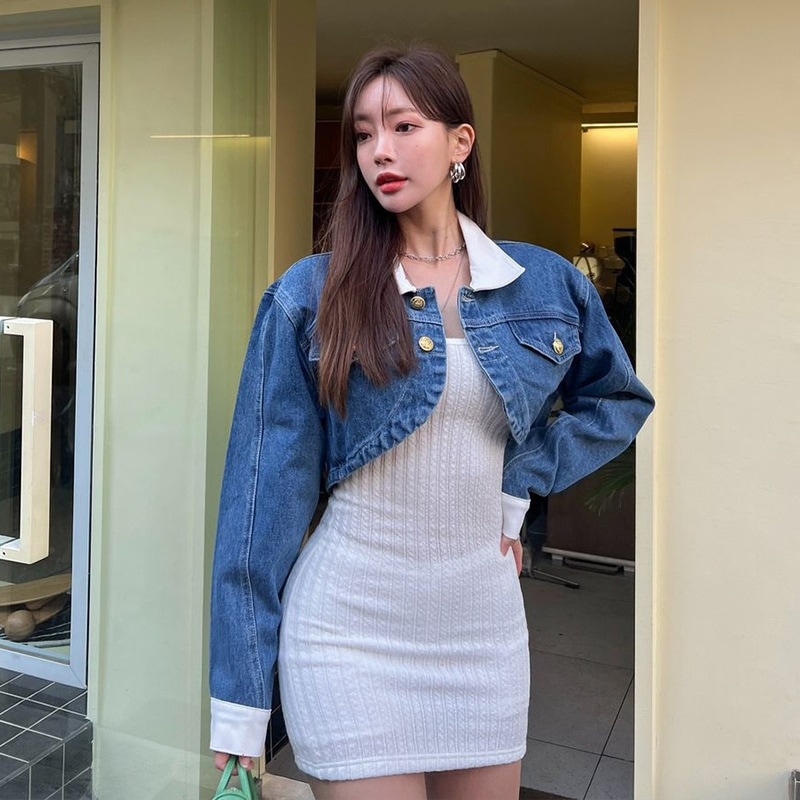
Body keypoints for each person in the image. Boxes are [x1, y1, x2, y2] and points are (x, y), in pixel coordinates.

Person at [209, 44, 654, 800]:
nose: (379, 150)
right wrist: (241, 704)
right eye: (363, 133)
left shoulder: (541, 282)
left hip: (482, 629)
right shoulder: (310, 295)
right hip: (347, 630)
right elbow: (259, 503)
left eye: (404, 126)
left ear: (459, 142)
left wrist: (520, 482)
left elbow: (617, 398)